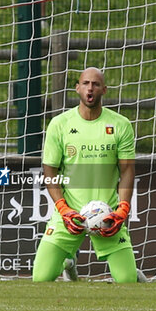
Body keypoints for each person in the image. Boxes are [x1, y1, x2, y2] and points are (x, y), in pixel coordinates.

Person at [33, 67, 138, 283]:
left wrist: (123, 209)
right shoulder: (60, 124)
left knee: (127, 281)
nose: (91, 88)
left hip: (106, 215)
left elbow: (127, 170)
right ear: (78, 88)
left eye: (96, 84)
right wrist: (63, 208)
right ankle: (67, 263)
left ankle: (133, 272)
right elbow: (50, 170)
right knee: (41, 278)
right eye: (86, 83)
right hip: (69, 216)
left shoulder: (120, 125)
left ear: (104, 90)